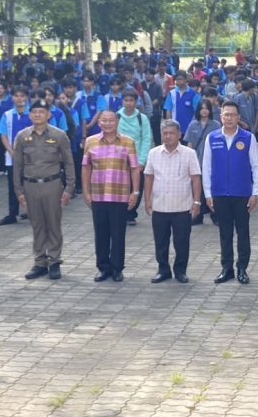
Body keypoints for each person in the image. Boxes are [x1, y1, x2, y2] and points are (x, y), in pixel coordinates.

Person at [13, 100, 75, 281]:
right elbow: (17, 166)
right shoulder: (22, 136)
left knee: (53, 224)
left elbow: (69, 163)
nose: (38, 115)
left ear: (49, 114)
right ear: (30, 115)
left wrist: (69, 188)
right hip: (30, 186)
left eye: (42, 112)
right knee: (37, 224)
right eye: (34, 112)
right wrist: (18, 191)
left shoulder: (59, 135)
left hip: (52, 185)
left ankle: (54, 261)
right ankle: (40, 262)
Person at [202, 101, 258, 285]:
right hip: (219, 193)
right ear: (221, 117)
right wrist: (208, 194)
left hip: (242, 193)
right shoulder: (212, 138)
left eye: (233, 115)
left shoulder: (248, 138)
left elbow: (256, 166)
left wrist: (255, 192)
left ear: (238, 117)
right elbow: (206, 166)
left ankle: (242, 268)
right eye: (226, 115)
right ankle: (226, 268)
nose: (229, 118)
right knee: (225, 233)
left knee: (243, 232)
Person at [82, 110, 140, 282]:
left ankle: (117, 268)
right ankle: (103, 267)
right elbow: (86, 167)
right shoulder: (91, 142)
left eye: (111, 120)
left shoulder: (128, 142)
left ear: (117, 122)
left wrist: (135, 192)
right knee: (101, 233)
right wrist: (86, 192)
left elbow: (134, 168)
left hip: (120, 195)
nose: (107, 124)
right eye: (104, 120)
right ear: (99, 122)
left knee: (118, 233)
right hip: (98, 195)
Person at [144, 119, 202, 283]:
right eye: (165, 133)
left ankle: (180, 270)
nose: (168, 136)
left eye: (171, 133)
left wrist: (197, 202)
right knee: (160, 241)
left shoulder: (189, 153)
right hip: (160, 205)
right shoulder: (153, 153)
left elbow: (195, 178)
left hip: (182, 206)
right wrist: (147, 200)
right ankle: (163, 270)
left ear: (179, 135)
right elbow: (149, 177)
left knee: (182, 241)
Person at [0, 86, 32, 225]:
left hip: (31, 157)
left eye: (22, 96)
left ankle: (32, 211)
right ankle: (12, 214)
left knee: (31, 185)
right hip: (12, 157)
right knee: (13, 186)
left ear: (27, 97)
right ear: (12, 98)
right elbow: (3, 135)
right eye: (16, 96)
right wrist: (11, 152)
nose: (19, 99)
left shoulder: (33, 113)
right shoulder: (7, 115)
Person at [117, 88, 152, 227]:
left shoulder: (142, 119)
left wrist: (142, 161)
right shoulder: (117, 117)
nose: (128, 103)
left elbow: (147, 139)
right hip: (119, 160)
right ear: (122, 101)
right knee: (120, 187)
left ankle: (131, 213)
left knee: (136, 187)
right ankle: (120, 212)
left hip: (136, 159)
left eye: (131, 100)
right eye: (126, 100)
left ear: (136, 102)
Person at [183, 99, 220, 224]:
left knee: (212, 189)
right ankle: (197, 216)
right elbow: (189, 145)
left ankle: (215, 216)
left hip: (212, 163)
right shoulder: (193, 125)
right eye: (202, 108)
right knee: (197, 190)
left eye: (206, 108)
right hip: (197, 162)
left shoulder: (216, 125)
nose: (204, 111)